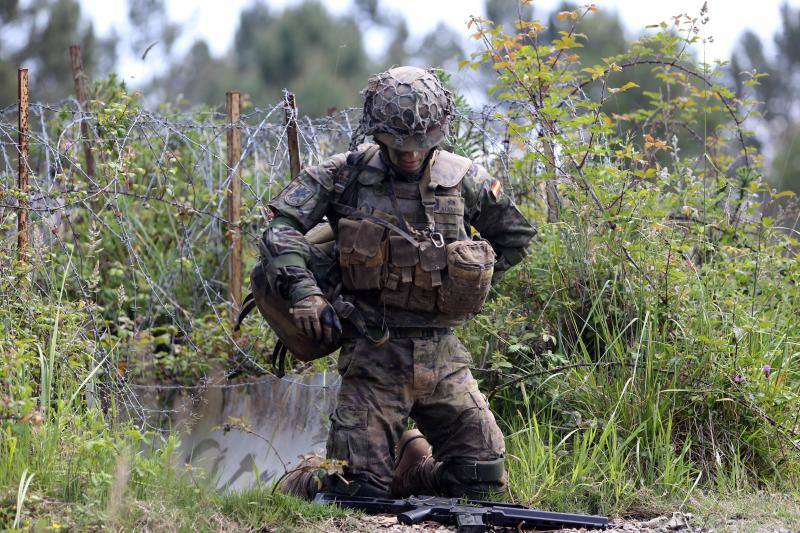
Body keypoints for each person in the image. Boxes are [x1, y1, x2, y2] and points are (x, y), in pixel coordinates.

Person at [261, 66, 536, 499]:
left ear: (439, 133)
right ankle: (312, 477)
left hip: (442, 353)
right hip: (374, 351)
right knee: (356, 494)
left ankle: (413, 472)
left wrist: (468, 281)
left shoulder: (466, 180)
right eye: (397, 144)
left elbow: (515, 239)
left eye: (421, 144)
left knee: (482, 479)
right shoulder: (345, 175)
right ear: (377, 133)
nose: (410, 155)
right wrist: (306, 293)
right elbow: (280, 228)